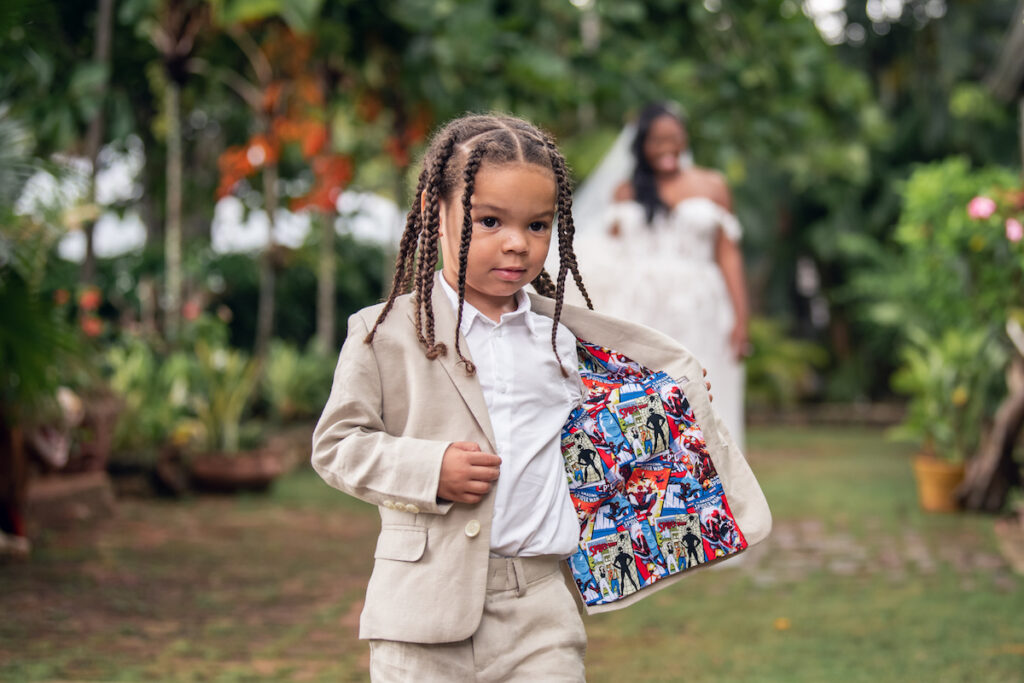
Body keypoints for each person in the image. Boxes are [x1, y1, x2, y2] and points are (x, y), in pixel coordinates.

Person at [311, 113, 756, 682]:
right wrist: (429, 469)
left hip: (541, 613)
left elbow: (605, 433)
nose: (517, 244)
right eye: (490, 220)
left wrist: (670, 398)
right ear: (432, 213)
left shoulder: (564, 340)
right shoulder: (384, 335)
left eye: (538, 226)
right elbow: (336, 445)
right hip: (421, 617)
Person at [567, 102, 750, 447]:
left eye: (674, 138)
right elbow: (607, 257)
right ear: (641, 146)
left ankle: (717, 471)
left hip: (702, 307)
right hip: (641, 305)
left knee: (708, 384)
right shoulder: (626, 191)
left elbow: (729, 255)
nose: (666, 147)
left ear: (685, 140)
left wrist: (741, 319)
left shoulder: (713, 185)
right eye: (656, 140)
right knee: (649, 388)